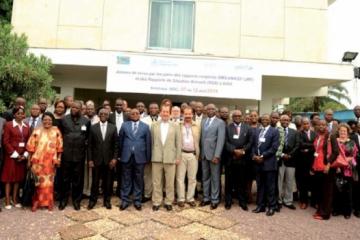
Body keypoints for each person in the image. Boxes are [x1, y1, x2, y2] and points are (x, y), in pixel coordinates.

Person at [26, 112, 63, 211]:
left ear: (52, 121)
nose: (47, 121)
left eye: (49, 120)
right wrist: (29, 161)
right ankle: (36, 202)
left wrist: (59, 159)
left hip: (50, 163)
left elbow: (60, 148)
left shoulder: (56, 131)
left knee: (49, 184)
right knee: (37, 183)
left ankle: (49, 202)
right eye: (45, 119)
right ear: (42, 120)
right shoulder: (36, 131)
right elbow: (30, 148)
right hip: (37, 162)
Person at [58, 101, 90, 210]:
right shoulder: (64, 119)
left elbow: (87, 137)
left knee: (78, 180)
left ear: (81, 109)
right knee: (64, 179)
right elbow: (60, 136)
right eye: (73, 107)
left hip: (79, 155)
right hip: (66, 155)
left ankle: (76, 201)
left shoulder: (86, 121)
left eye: (77, 108)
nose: (74, 109)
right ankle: (63, 200)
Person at [118, 109, 151, 211]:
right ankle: (125, 200)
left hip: (140, 157)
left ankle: (137, 200)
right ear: (130, 115)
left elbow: (148, 143)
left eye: (137, 113)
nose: (135, 115)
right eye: (133, 113)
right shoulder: (124, 125)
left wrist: (148, 157)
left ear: (139, 115)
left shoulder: (145, 127)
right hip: (126, 156)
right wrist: (119, 155)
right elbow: (120, 141)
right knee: (126, 178)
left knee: (138, 179)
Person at [151, 105, 181, 211]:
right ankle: (157, 201)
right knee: (156, 181)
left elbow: (178, 142)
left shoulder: (176, 126)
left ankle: (169, 201)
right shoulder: (154, 125)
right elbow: (152, 142)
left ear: (170, 113)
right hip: (156, 157)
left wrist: (178, 157)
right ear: (160, 113)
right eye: (163, 111)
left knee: (169, 182)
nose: (165, 113)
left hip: (170, 157)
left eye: (167, 112)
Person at [87, 108, 118, 210]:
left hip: (109, 161)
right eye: (102, 113)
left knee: (108, 182)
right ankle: (93, 200)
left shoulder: (113, 128)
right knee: (95, 182)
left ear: (108, 116)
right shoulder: (93, 128)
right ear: (99, 115)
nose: (104, 115)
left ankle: (107, 201)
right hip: (96, 160)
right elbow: (90, 145)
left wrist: (114, 159)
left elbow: (116, 145)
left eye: (106, 114)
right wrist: (90, 160)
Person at [1, 106, 30, 209]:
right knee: (9, 179)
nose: (20, 115)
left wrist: (25, 155)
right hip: (11, 156)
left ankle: (15, 198)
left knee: (18, 179)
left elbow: (28, 142)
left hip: (22, 157)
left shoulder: (26, 126)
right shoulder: (8, 125)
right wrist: (16, 154)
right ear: (14, 114)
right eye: (18, 113)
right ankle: (8, 200)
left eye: (22, 113)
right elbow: (5, 142)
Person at [252, 114, 280, 216]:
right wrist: (254, 156)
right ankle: (260, 206)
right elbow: (253, 145)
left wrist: (262, 156)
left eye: (267, 119)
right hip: (257, 163)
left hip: (269, 163)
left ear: (270, 120)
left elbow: (274, 147)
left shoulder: (274, 131)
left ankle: (272, 207)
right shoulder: (256, 131)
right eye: (263, 119)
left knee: (270, 187)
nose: (264, 120)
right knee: (260, 186)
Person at [224, 110, 253, 210]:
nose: (237, 117)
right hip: (231, 158)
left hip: (243, 159)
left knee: (242, 181)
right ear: (232, 117)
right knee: (229, 181)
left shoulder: (247, 128)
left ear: (242, 117)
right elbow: (225, 142)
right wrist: (234, 151)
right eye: (235, 115)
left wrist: (243, 151)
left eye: (239, 115)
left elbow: (250, 142)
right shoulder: (227, 128)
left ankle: (242, 201)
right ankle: (228, 201)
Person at [200, 103, 226, 210]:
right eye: (208, 109)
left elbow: (221, 140)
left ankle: (215, 199)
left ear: (215, 111)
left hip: (214, 155)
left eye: (212, 109)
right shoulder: (203, 121)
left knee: (215, 178)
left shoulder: (220, 123)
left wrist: (217, 155)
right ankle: (206, 198)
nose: (210, 110)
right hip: (204, 155)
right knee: (205, 177)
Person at [312, 120, 338, 220]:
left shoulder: (331, 137)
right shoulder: (317, 136)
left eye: (323, 125)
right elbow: (316, 151)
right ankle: (320, 210)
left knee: (327, 191)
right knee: (320, 191)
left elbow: (335, 152)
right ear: (317, 126)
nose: (321, 126)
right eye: (319, 125)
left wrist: (328, 164)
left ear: (326, 126)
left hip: (327, 167)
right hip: (317, 167)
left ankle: (325, 214)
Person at [332, 123, 358, 219]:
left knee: (347, 190)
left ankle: (347, 211)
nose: (342, 132)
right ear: (338, 132)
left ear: (347, 132)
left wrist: (344, 162)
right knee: (337, 189)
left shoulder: (350, 142)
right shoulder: (335, 141)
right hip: (337, 168)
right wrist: (338, 165)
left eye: (344, 131)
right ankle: (336, 209)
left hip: (347, 169)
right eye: (341, 130)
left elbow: (352, 155)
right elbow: (333, 154)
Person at [176, 107, 200, 208]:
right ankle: (181, 199)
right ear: (182, 114)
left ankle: (190, 198)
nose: (188, 116)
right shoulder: (178, 125)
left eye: (190, 114)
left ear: (192, 114)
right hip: (181, 154)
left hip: (193, 155)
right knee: (180, 178)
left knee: (192, 178)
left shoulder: (197, 126)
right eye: (186, 114)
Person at [277, 114, 299, 210]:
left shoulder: (294, 132)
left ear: (290, 121)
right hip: (279, 160)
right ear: (280, 121)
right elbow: (274, 144)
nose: (285, 121)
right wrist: (282, 154)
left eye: (287, 120)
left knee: (289, 182)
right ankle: (278, 200)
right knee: (279, 181)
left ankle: (288, 201)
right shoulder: (276, 131)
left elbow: (297, 145)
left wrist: (289, 155)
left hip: (291, 160)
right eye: (283, 120)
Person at [141, 102, 160, 202]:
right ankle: (147, 194)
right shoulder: (143, 120)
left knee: (158, 175)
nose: (153, 109)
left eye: (155, 108)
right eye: (151, 108)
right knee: (147, 174)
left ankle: (157, 194)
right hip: (147, 151)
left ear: (158, 109)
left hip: (160, 152)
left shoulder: (163, 120)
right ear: (148, 109)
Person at [297, 117, 316, 209]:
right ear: (301, 125)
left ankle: (313, 202)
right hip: (302, 162)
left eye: (307, 123)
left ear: (310, 124)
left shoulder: (314, 133)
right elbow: (300, 145)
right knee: (303, 183)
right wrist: (312, 146)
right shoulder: (299, 134)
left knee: (313, 183)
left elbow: (317, 145)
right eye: (304, 123)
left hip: (313, 161)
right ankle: (303, 201)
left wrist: (307, 148)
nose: (306, 125)